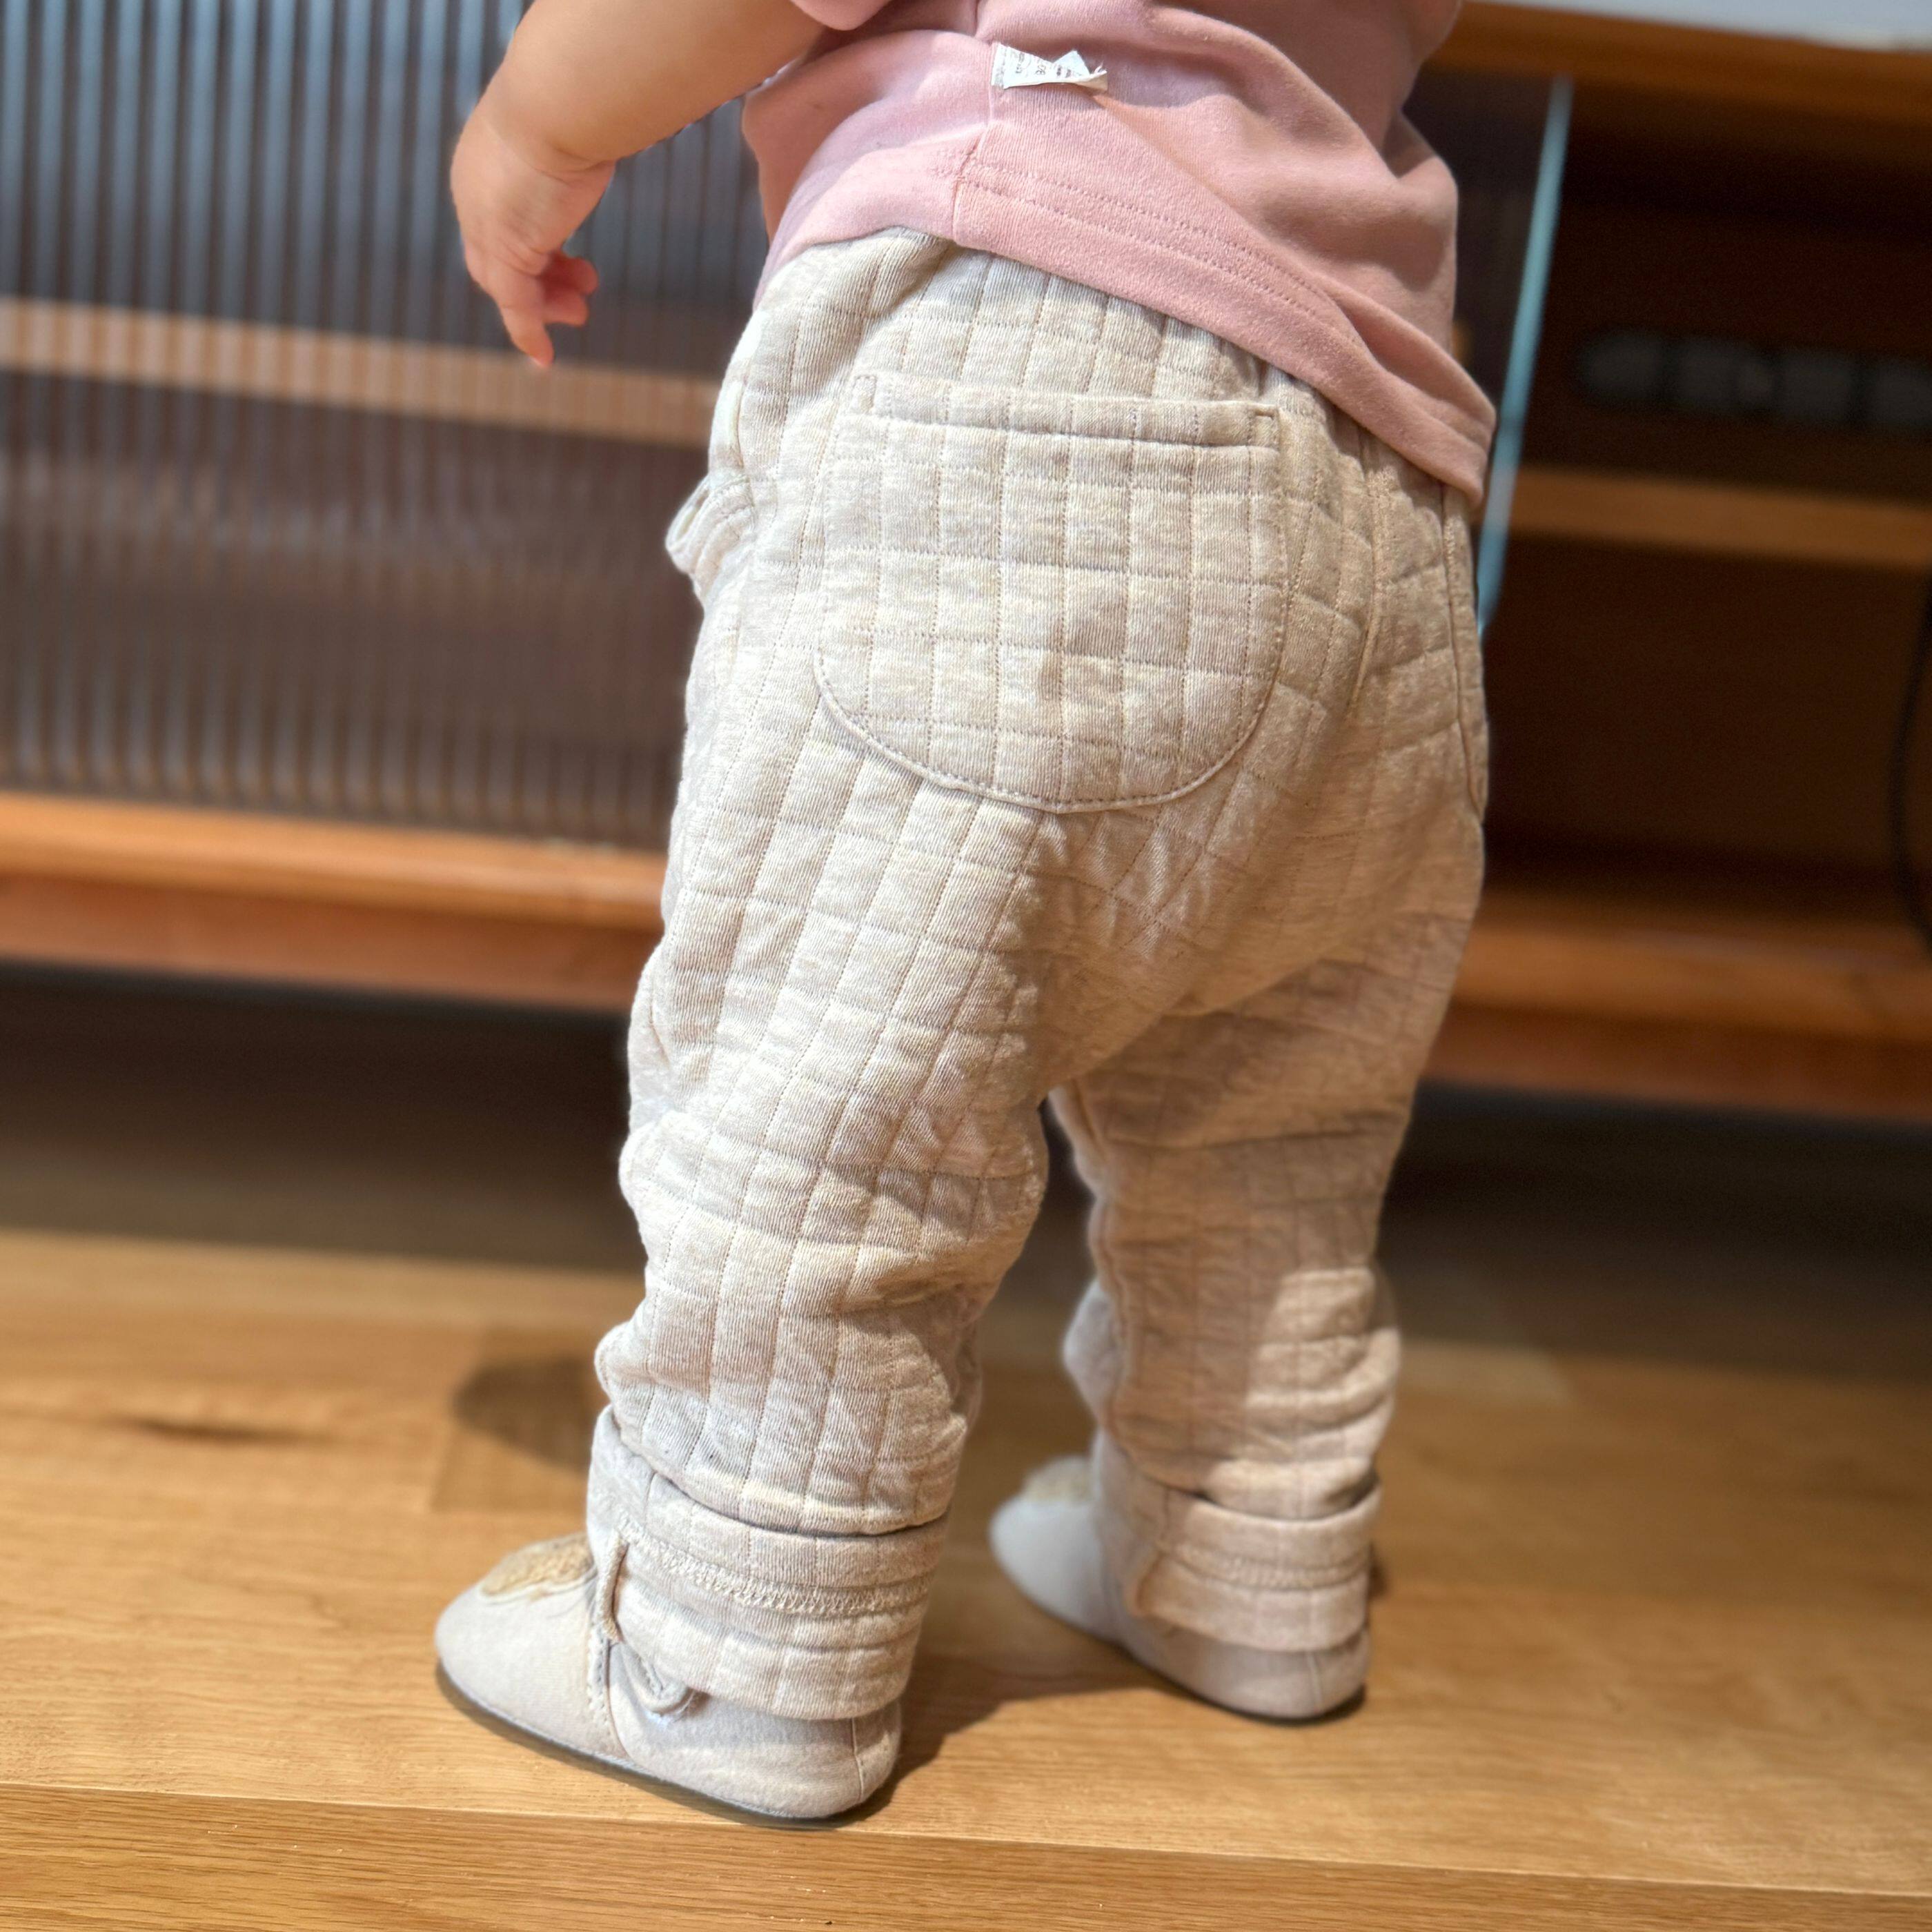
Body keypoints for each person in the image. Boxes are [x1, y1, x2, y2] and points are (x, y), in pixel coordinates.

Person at [434, 0, 1494, 1820]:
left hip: (1038, 397)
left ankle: (725, 1649)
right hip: (1395, 507)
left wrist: (535, 120)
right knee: (1272, 1144)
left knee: (841, 1096)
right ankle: (1241, 1569)